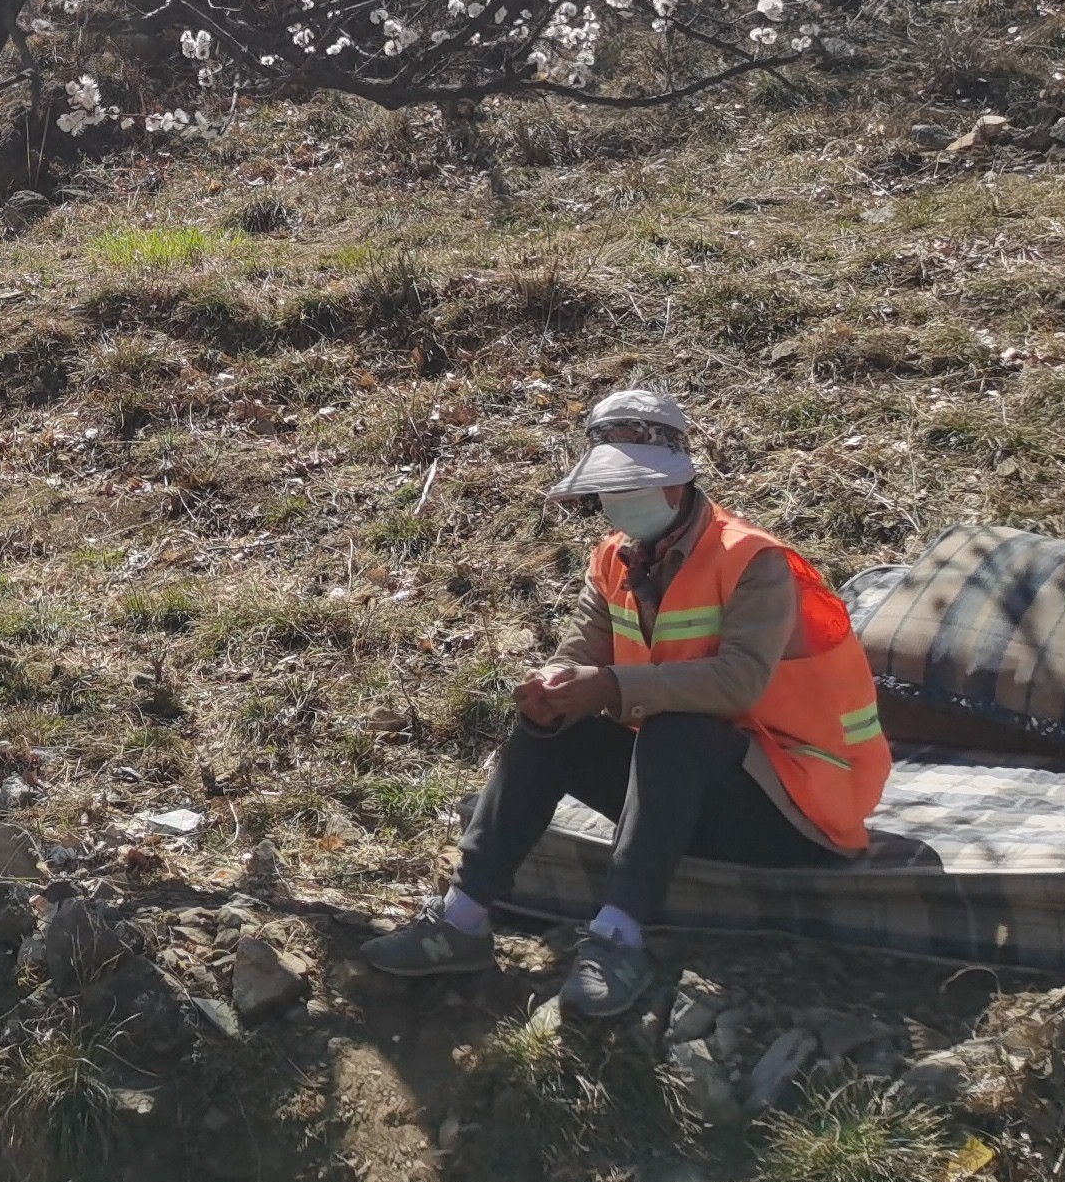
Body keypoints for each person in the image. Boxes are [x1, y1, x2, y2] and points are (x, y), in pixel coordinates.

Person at [359, 387, 887, 1019]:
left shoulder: (753, 561)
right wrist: (553, 688)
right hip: (690, 799)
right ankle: (463, 917)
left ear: (678, 483)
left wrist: (608, 688)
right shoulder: (613, 559)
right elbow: (581, 649)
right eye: (612, 490)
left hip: (797, 807)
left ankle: (617, 939)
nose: (620, 503)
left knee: (677, 727)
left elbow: (739, 682)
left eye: (633, 485)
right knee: (551, 725)